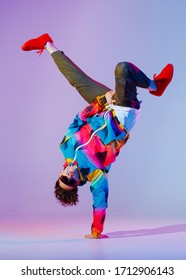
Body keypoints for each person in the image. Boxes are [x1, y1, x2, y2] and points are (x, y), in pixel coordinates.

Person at [21, 33, 174, 239]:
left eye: (64, 177)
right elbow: (100, 201)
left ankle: (47, 44)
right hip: (121, 114)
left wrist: (101, 101)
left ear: (60, 174)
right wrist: (96, 232)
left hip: (103, 106)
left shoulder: (65, 147)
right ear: (77, 183)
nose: (70, 175)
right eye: (72, 181)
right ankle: (156, 86)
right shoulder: (96, 174)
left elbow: (78, 119)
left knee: (75, 79)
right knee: (123, 68)